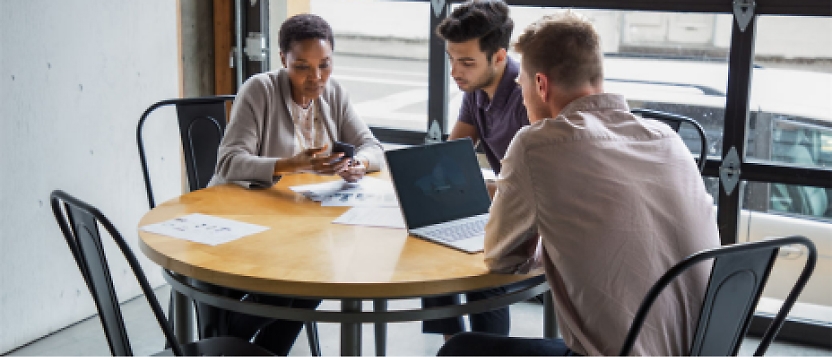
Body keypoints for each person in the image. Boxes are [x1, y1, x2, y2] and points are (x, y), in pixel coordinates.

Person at [438, 11, 720, 356]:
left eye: (522, 84)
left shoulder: (537, 144)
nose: (521, 94)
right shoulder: (667, 139)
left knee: (461, 349)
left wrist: (553, 241)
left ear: (541, 85)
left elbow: (500, 259)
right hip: (704, 349)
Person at [206, 14, 383, 355]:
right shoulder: (260, 90)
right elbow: (228, 163)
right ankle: (236, 338)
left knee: (314, 274)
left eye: (325, 65)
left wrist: (357, 164)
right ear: (283, 58)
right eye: (302, 66)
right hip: (247, 221)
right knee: (304, 277)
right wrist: (293, 163)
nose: (315, 77)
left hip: (300, 224)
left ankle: (246, 344)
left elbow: (373, 147)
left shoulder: (334, 94)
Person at [422, 0, 529, 342]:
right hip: (504, 204)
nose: (455, 71)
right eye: (452, 59)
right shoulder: (477, 90)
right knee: (428, 228)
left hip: (531, 214)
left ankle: (486, 348)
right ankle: (455, 342)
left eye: (466, 62)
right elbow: (452, 156)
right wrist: (421, 181)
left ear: (499, 57)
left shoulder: (527, 98)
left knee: (481, 266)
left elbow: (535, 188)